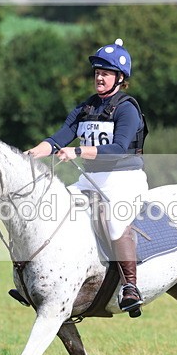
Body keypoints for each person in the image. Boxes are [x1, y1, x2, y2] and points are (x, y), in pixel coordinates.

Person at [26, 38, 149, 317]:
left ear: (119, 78)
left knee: (113, 219)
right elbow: (58, 138)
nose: (99, 77)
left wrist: (79, 150)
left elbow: (118, 149)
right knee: (52, 206)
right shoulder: (86, 108)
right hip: (90, 179)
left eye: (105, 73)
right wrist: (33, 153)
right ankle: (43, 280)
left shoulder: (127, 108)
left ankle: (131, 286)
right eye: (97, 73)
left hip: (123, 179)